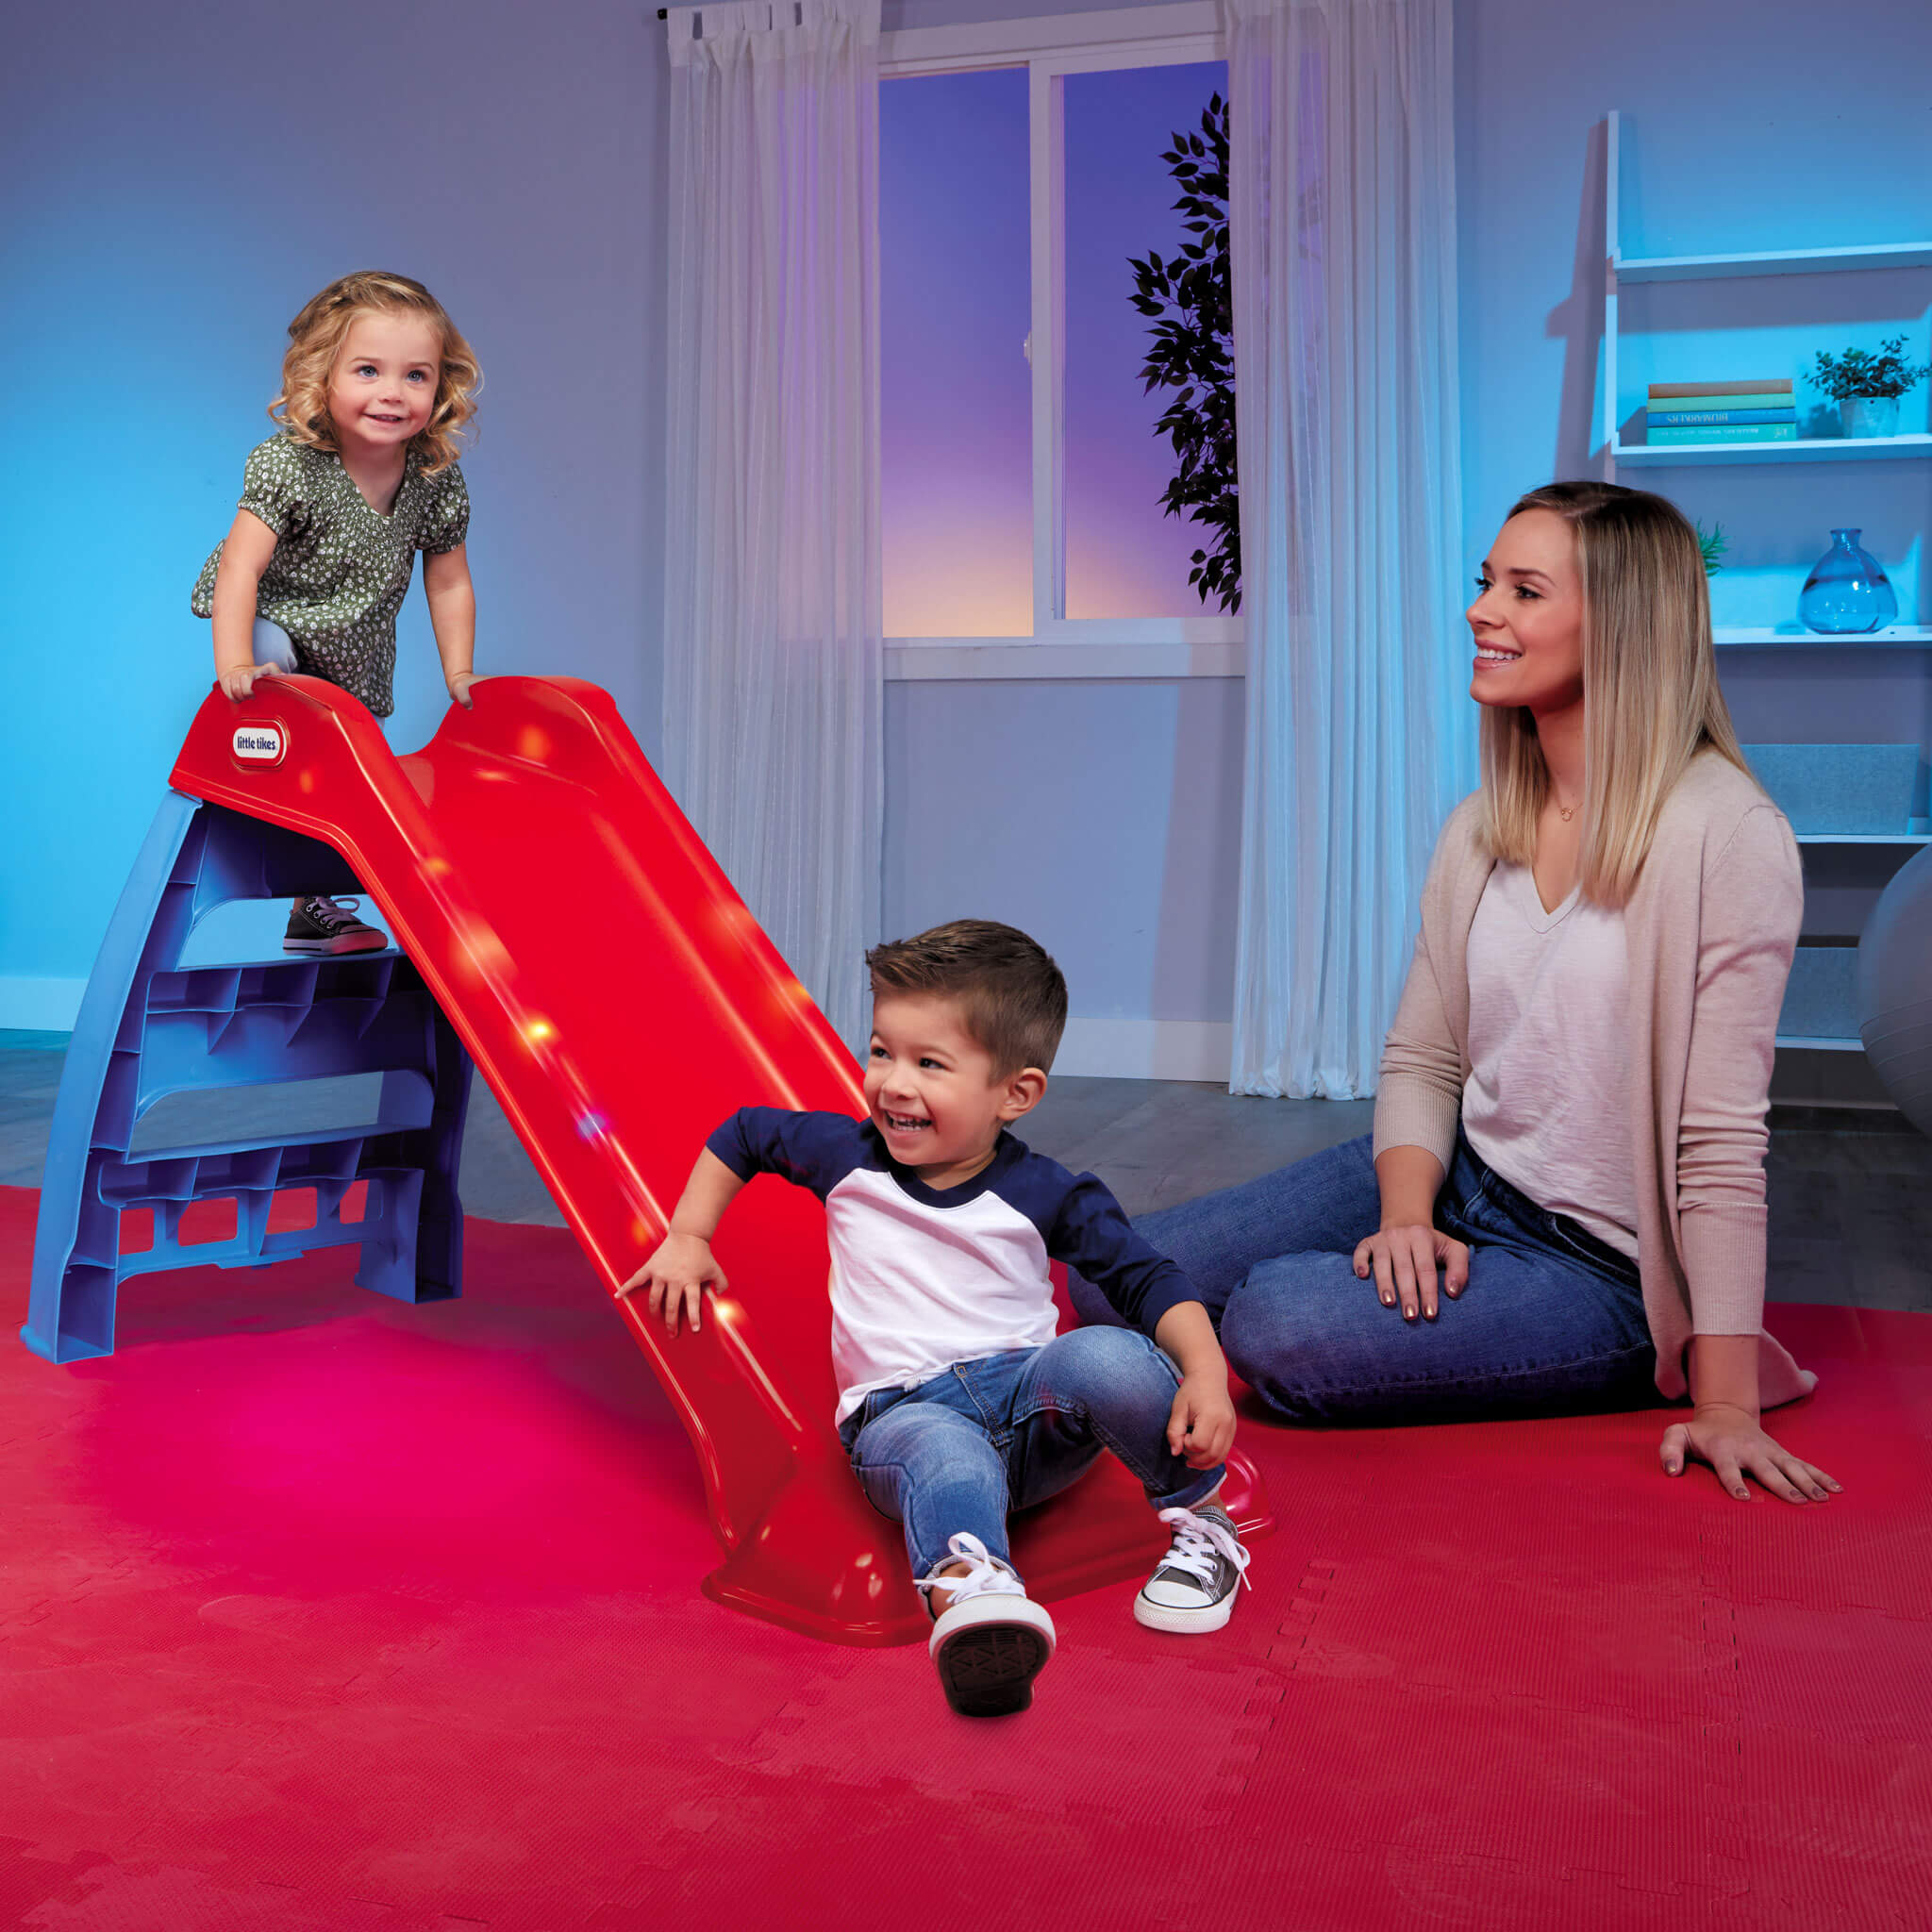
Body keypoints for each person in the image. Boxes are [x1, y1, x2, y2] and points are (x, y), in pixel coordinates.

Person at [1078, 481, 1839, 1507]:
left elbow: (1717, 1141)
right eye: (1487, 583)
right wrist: (1405, 1215)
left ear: (1621, 624)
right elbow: (1423, 1057)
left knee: (1274, 1322)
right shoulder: (1482, 824)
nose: (1481, 611)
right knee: (1113, 1273)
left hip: (1600, 1270)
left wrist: (1727, 1401)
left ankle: (1574, 1351)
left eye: (1524, 590)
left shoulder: (1728, 836)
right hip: (1466, 1177)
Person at [620, 921, 1252, 1717]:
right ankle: (976, 1598)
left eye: (929, 1064)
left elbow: (1149, 1279)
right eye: (881, 1051)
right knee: (946, 1455)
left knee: (1105, 1354)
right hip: (902, 1414)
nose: (892, 1083)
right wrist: (689, 1236)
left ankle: (1205, 1528)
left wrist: (1204, 1375)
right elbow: (744, 1132)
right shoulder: (845, 1156)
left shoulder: (1050, 1194)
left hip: (1032, 1409)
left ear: (1015, 1094)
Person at [192, 271, 481, 956]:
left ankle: (311, 910)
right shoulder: (290, 465)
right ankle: (263, 789)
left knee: (347, 778)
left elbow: (448, 582)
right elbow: (241, 568)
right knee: (289, 708)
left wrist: (459, 672)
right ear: (322, 377)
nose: (393, 392)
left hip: (353, 651)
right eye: (368, 370)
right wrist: (236, 662)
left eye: (416, 375)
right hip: (273, 623)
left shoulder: (433, 477)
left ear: (441, 388)